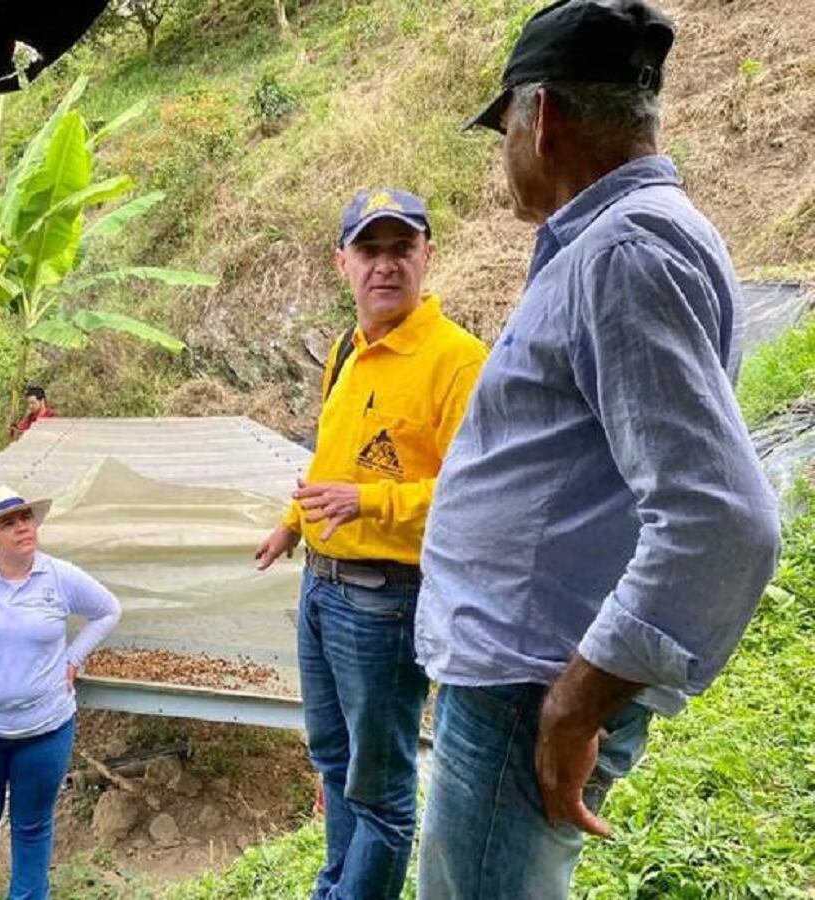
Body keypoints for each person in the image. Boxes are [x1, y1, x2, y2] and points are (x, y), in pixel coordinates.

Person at [413, 2, 782, 897]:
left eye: (501, 126)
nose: (502, 150)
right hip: (519, 683)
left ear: (540, 119)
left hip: (528, 694)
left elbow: (721, 521)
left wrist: (577, 705)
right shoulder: (627, 240)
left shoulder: (625, 252)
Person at [255, 188, 486, 900]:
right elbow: (333, 460)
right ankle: (334, 887)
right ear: (342, 263)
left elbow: (473, 500)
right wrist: (293, 524)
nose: (384, 266)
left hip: (386, 601)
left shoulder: (459, 362)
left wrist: (370, 502)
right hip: (321, 587)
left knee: (380, 791)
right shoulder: (347, 353)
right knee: (331, 761)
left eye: (400, 248)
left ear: (427, 256)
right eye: (368, 250)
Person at [0, 485, 120, 900]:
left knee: (32, 826)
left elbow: (107, 610)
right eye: (8, 523)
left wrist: (73, 659)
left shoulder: (59, 576)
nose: (22, 528)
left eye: (26, 518)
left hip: (45, 730)